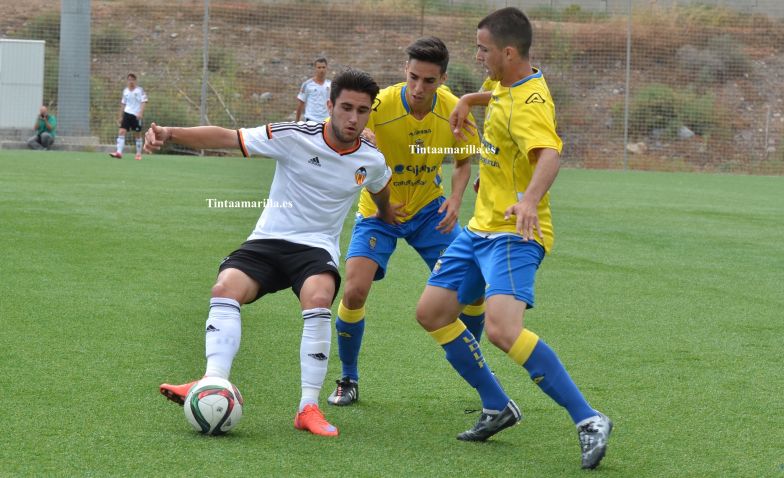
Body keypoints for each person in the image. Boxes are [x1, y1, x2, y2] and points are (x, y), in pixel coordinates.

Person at [149, 69, 397, 437]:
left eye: (362, 111)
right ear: (329, 105)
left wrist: (387, 215)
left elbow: (381, 188)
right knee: (225, 288)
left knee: (319, 297)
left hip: (315, 248)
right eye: (346, 107)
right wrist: (170, 133)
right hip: (268, 240)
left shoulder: (370, 158)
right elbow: (229, 137)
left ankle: (307, 408)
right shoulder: (294, 136)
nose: (353, 118)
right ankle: (212, 380)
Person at [415, 8, 612, 469]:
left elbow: (550, 154)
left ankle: (589, 419)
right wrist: (469, 99)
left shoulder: (531, 103)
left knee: (503, 330)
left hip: (513, 232)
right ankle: (496, 405)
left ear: (507, 52)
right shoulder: (506, 82)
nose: (477, 55)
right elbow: (499, 96)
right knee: (432, 312)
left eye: (482, 49)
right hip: (479, 229)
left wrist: (529, 202)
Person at [327, 37, 487, 407]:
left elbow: (463, 162)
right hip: (379, 211)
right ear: (405, 71)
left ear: (443, 79)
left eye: (429, 81)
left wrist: (456, 199)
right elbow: (338, 131)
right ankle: (348, 378)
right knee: (354, 291)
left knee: (475, 285)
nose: (418, 88)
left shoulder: (454, 109)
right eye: (413, 77)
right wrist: (360, 135)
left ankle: (473, 365)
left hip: (430, 211)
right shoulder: (379, 105)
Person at [110, 73, 148, 160]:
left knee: (137, 134)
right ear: (127, 81)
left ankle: (138, 154)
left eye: (133, 80)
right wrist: (120, 116)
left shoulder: (140, 90)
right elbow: (123, 104)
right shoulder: (125, 91)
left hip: (136, 115)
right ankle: (119, 153)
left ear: (135, 81)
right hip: (127, 114)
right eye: (129, 80)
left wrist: (141, 113)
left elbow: (144, 101)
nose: (131, 81)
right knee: (121, 131)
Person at [295, 58, 332, 122]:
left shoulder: (331, 85)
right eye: (319, 67)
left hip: (326, 120)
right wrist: (297, 122)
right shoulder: (307, 84)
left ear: (327, 68)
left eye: (323, 67)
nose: (321, 70)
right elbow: (300, 104)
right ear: (315, 69)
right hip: (311, 120)